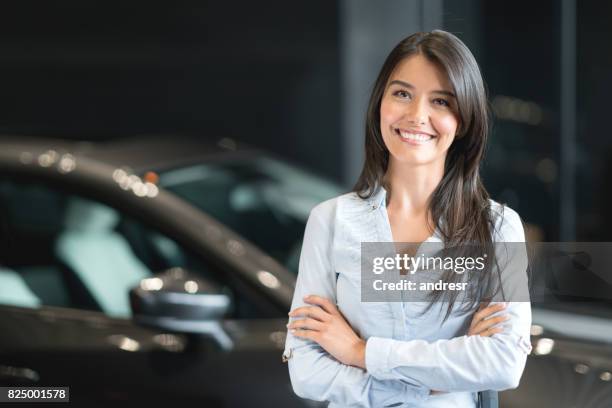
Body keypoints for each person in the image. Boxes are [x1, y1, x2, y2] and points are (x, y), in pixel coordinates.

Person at [283, 30, 532, 407]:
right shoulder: (331, 221)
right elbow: (306, 370)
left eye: (441, 101)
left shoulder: (497, 227)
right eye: (402, 94)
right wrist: (433, 380)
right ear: (380, 102)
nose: (417, 116)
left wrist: (358, 351)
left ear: (463, 119)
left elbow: (503, 363)